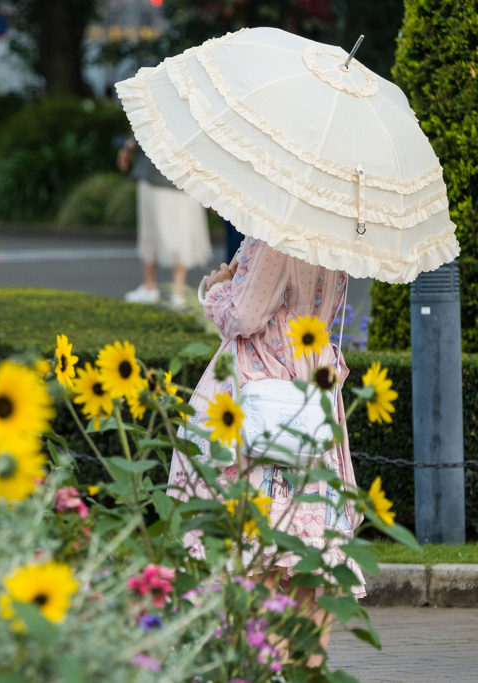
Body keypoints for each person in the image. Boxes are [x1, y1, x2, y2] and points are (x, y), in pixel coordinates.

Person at [170, 235, 364, 662]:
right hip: (311, 388)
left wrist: (217, 287)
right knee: (309, 570)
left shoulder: (276, 235)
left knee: (255, 563)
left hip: (261, 387)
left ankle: (266, 669)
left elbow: (244, 315)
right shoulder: (330, 236)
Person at [116, 138, 212, 308]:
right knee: (184, 233)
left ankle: (150, 287)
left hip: (156, 174)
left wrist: (129, 145)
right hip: (187, 176)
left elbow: (146, 126)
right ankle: (177, 292)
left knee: (150, 231)